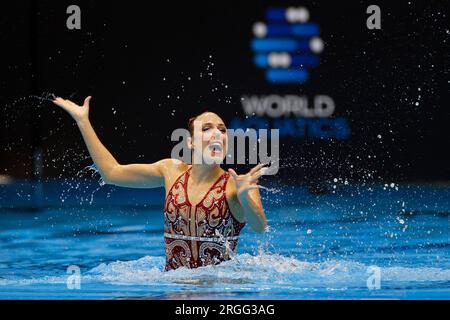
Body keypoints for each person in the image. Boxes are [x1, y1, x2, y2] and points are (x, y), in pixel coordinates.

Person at [52, 96, 268, 271]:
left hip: (220, 289)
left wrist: (244, 197)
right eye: (207, 129)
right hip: (172, 286)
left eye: (222, 130)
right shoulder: (171, 171)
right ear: (191, 142)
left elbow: (259, 227)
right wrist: (83, 121)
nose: (217, 134)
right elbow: (111, 172)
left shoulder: (238, 184)